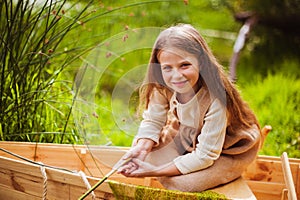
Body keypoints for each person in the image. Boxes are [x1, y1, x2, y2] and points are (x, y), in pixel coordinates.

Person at [117, 24, 261, 192]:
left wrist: (153, 171)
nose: (176, 76)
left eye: (184, 65)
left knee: (184, 184)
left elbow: (205, 156)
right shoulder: (162, 86)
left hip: (227, 149)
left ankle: (229, 171)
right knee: (146, 158)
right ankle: (176, 162)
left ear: (200, 62)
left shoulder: (216, 97)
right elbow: (153, 120)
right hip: (186, 136)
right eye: (167, 68)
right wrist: (141, 148)